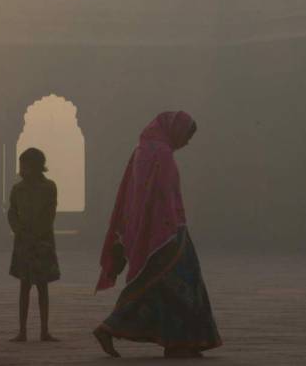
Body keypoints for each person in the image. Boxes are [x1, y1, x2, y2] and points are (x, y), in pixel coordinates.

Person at [93, 111, 221, 359]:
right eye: (187, 136)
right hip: (167, 233)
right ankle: (116, 329)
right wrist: (168, 229)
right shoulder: (161, 154)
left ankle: (178, 342)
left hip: (156, 231)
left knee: (161, 286)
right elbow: (161, 196)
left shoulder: (145, 150)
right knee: (179, 285)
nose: (186, 142)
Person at [8, 147, 60, 343]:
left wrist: (34, 235)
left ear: (38, 167)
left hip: (41, 242)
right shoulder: (17, 189)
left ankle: (44, 330)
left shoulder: (49, 187)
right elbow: (12, 212)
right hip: (24, 242)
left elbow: (49, 214)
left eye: (26, 165)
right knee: (24, 286)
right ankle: (22, 331)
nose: (23, 169)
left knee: (42, 287)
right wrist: (20, 231)